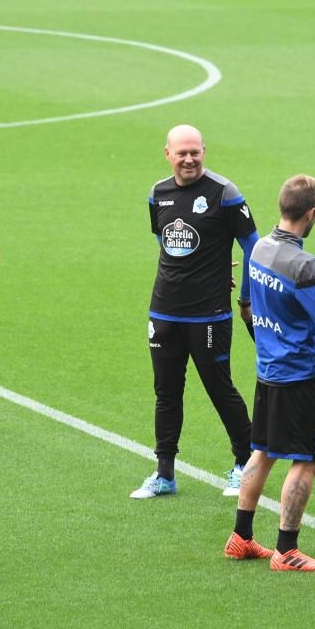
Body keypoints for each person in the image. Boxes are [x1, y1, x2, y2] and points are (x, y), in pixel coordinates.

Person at [223, 174, 315, 572]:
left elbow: (254, 307)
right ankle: (287, 550)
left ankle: (241, 537)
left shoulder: (259, 248)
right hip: (301, 375)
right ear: (312, 213)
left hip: (268, 371)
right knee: (307, 459)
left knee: (264, 451)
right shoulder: (305, 265)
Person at [132, 125, 258, 499]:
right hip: (164, 312)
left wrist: (246, 299)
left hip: (209, 314)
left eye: (195, 152)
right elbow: (165, 243)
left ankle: (244, 464)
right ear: (167, 154)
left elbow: (254, 248)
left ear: (204, 151)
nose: (189, 159)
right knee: (166, 392)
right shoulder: (158, 194)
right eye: (181, 153)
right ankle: (164, 474)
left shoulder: (225, 193)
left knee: (219, 388)